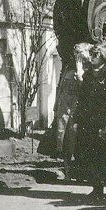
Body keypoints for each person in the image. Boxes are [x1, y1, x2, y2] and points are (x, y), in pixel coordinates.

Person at [74, 43, 106, 199]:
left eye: (96, 54)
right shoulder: (88, 75)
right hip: (88, 122)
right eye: (92, 54)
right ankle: (97, 188)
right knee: (91, 155)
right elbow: (81, 99)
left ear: (103, 56)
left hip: (104, 122)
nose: (92, 57)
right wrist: (77, 120)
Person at [39, 43, 92, 180]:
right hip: (64, 108)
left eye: (79, 53)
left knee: (78, 138)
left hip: (78, 108)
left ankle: (80, 173)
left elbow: (86, 88)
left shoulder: (89, 68)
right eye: (75, 54)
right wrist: (56, 106)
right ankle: (67, 171)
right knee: (64, 139)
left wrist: (80, 72)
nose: (77, 57)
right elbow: (61, 87)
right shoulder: (69, 67)